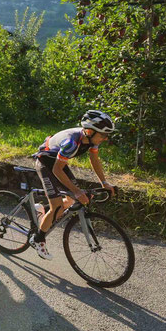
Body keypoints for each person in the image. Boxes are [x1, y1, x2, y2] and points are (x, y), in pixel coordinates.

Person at [29, 110, 116, 260]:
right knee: (59, 203)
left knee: (72, 200)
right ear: (89, 131)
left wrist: (104, 183)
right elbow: (56, 170)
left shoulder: (91, 140)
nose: (105, 138)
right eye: (103, 135)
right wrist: (76, 191)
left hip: (57, 162)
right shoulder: (72, 143)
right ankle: (38, 239)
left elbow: (94, 160)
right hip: (45, 162)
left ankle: (43, 214)